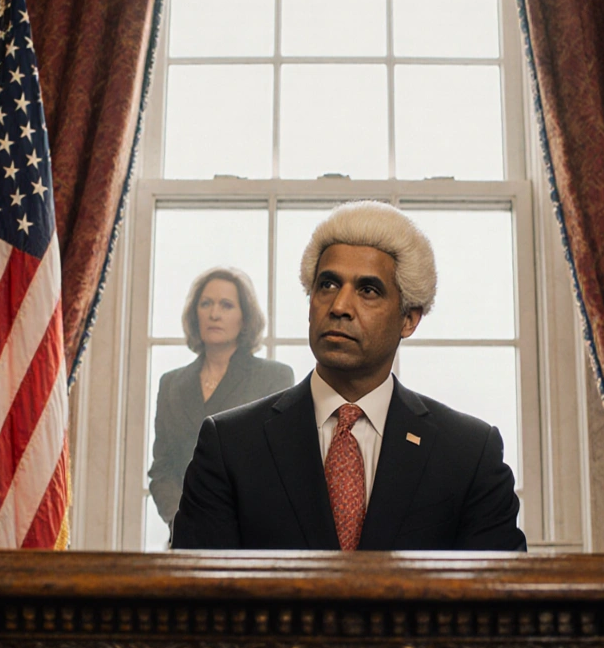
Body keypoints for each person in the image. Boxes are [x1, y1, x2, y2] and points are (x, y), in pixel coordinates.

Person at [171, 201, 526, 551]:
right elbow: (194, 596)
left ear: (409, 319)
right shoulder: (229, 445)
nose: (339, 306)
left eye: (368, 290)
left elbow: (501, 600)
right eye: (327, 285)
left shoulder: (468, 453)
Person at [148, 267, 294, 528]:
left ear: (245, 318)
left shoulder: (274, 378)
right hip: (185, 538)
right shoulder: (170, 384)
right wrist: (181, 520)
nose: (214, 314)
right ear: (195, 314)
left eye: (226, 305)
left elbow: (279, 469)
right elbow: (162, 470)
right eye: (206, 304)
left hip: (250, 538)